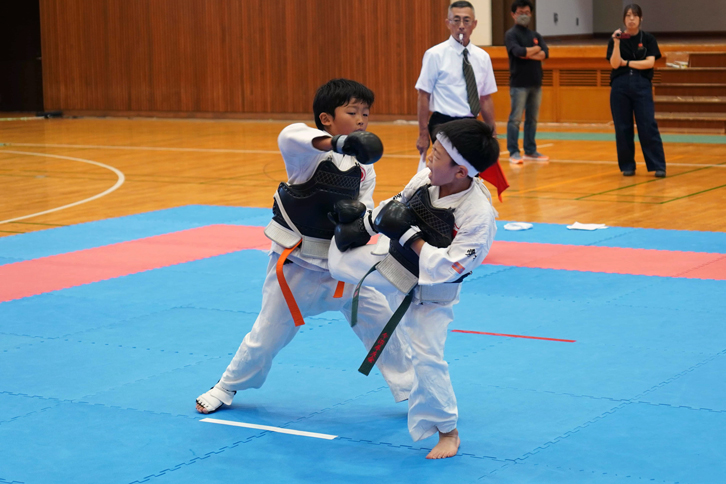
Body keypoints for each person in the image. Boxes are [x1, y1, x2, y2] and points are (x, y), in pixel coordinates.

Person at [195, 79, 413, 414]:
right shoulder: (306, 154)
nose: (361, 120)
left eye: (366, 114)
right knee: (267, 336)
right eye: (352, 112)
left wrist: (357, 220)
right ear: (326, 118)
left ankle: (413, 389)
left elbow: (364, 210)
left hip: (341, 266)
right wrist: (340, 143)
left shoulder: (363, 167)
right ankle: (226, 386)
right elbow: (289, 134)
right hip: (298, 266)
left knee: (382, 321)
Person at [328, 118, 499, 459]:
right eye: (432, 150)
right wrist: (363, 223)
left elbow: (449, 269)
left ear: (460, 171)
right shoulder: (426, 179)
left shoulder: (478, 216)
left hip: (432, 296)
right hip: (395, 265)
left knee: (427, 360)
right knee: (337, 262)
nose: (429, 158)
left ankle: (448, 432)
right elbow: (396, 206)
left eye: (437, 155)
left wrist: (409, 236)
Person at [415, 0, 498, 158]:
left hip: (471, 124)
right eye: (456, 20)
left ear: (474, 24)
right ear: (448, 23)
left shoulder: (482, 57)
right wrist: (423, 133)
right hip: (443, 124)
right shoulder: (435, 54)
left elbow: (485, 98)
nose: (461, 26)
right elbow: (423, 94)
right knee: (449, 167)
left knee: (469, 169)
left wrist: (492, 132)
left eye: (466, 20)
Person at [607, 3, 666, 178]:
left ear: (641, 18)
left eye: (635, 15)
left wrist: (627, 63)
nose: (631, 19)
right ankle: (627, 165)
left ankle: (658, 165)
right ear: (623, 19)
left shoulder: (648, 39)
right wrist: (616, 43)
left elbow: (649, 63)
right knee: (622, 127)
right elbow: (614, 64)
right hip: (620, 85)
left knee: (647, 125)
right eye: (628, 15)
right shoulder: (616, 38)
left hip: (642, 84)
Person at [505, 0, 549, 164]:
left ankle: (530, 151)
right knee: (515, 119)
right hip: (519, 84)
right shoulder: (511, 34)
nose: (524, 15)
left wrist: (528, 53)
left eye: (527, 13)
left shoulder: (535, 35)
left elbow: (545, 54)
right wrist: (534, 50)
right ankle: (513, 152)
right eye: (520, 13)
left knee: (532, 119)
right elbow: (518, 52)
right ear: (513, 14)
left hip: (536, 83)